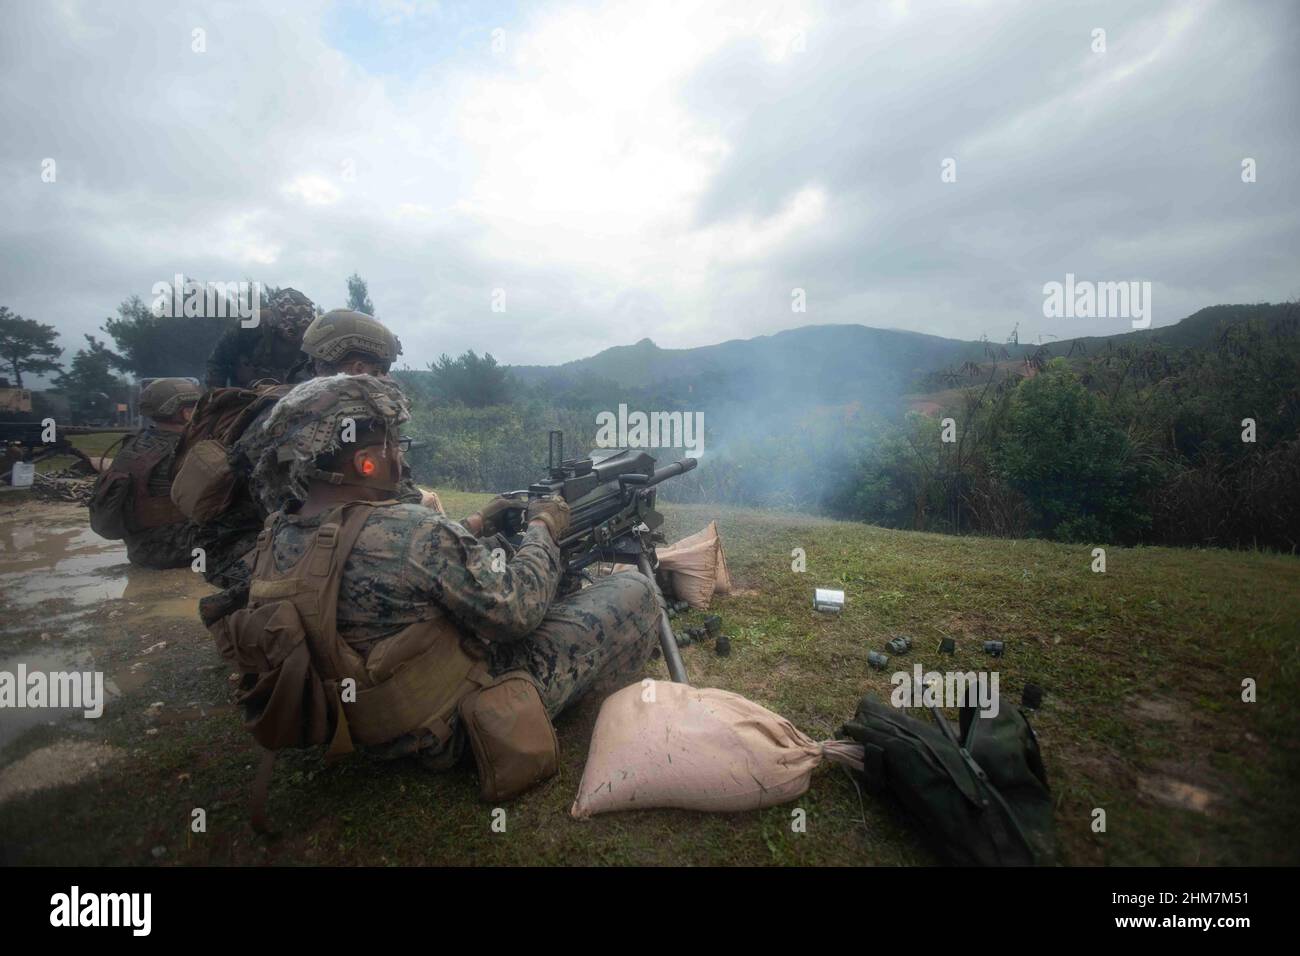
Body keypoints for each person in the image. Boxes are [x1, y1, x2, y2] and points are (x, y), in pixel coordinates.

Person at [228, 373, 659, 773]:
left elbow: (399, 564)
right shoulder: (416, 531)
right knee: (634, 589)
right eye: (394, 445)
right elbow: (518, 611)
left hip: (356, 725)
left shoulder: (277, 534)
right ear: (365, 462)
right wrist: (544, 526)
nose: (400, 456)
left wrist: (475, 525)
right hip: (453, 727)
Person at [189, 307, 437, 594]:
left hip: (267, 538)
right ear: (359, 369)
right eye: (381, 371)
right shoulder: (303, 417)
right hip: (243, 553)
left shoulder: (304, 404)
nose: (386, 380)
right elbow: (299, 513)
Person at [88, 378, 201, 567]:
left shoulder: (134, 443)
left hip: (139, 550)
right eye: (195, 407)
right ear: (186, 413)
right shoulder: (188, 450)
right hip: (179, 551)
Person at [204, 288, 318, 388]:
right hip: (244, 396)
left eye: (304, 331)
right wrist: (216, 396)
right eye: (293, 330)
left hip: (293, 396)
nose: (299, 336)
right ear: (276, 318)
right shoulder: (248, 328)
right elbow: (218, 363)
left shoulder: (312, 340)